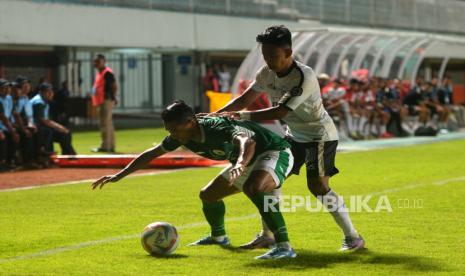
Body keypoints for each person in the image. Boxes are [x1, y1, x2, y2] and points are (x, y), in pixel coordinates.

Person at [208, 25, 364, 251]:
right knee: (270, 176)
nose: (269, 61)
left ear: (289, 53)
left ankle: (353, 237)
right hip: (293, 135)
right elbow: (244, 99)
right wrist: (214, 116)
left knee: (318, 187)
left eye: (273, 56)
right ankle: (267, 235)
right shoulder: (266, 73)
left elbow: (281, 112)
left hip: (319, 136)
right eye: (265, 55)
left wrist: (242, 116)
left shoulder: (304, 76)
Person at [92, 100, 297, 259]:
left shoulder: (215, 127)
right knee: (208, 195)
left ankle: (284, 247)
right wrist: (119, 175)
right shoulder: (182, 134)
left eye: (174, 129)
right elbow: (152, 153)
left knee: (254, 188)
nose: (172, 134)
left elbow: (247, 141)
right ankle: (219, 237)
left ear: (190, 122)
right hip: (244, 162)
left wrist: (240, 165)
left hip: (274, 151)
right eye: (169, 130)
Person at [30, 83, 76, 155]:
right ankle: (68, 155)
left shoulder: (45, 101)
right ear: (41, 92)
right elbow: (43, 120)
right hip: (37, 127)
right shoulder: (39, 102)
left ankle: (68, 155)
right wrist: (59, 127)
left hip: (42, 126)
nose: (51, 94)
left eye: (51, 91)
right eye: (47, 92)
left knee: (65, 133)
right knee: (58, 131)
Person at [92, 54, 117, 153]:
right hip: (102, 100)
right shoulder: (100, 73)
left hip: (105, 100)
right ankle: (110, 145)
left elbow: (114, 86)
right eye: (95, 61)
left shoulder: (107, 73)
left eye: (98, 61)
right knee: (108, 123)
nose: (96, 63)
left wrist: (113, 97)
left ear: (104, 61)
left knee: (104, 124)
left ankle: (105, 146)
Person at [0, 79, 20, 170]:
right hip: (2, 125)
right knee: (3, 137)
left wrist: (15, 126)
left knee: (17, 133)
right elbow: (3, 118)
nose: (8, 89)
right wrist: (12, 131)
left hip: (5, 125)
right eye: (4, 88)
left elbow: (11, 113)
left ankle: (11, 160)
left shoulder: (9, 98)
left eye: (8, 87)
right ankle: (2, 162)